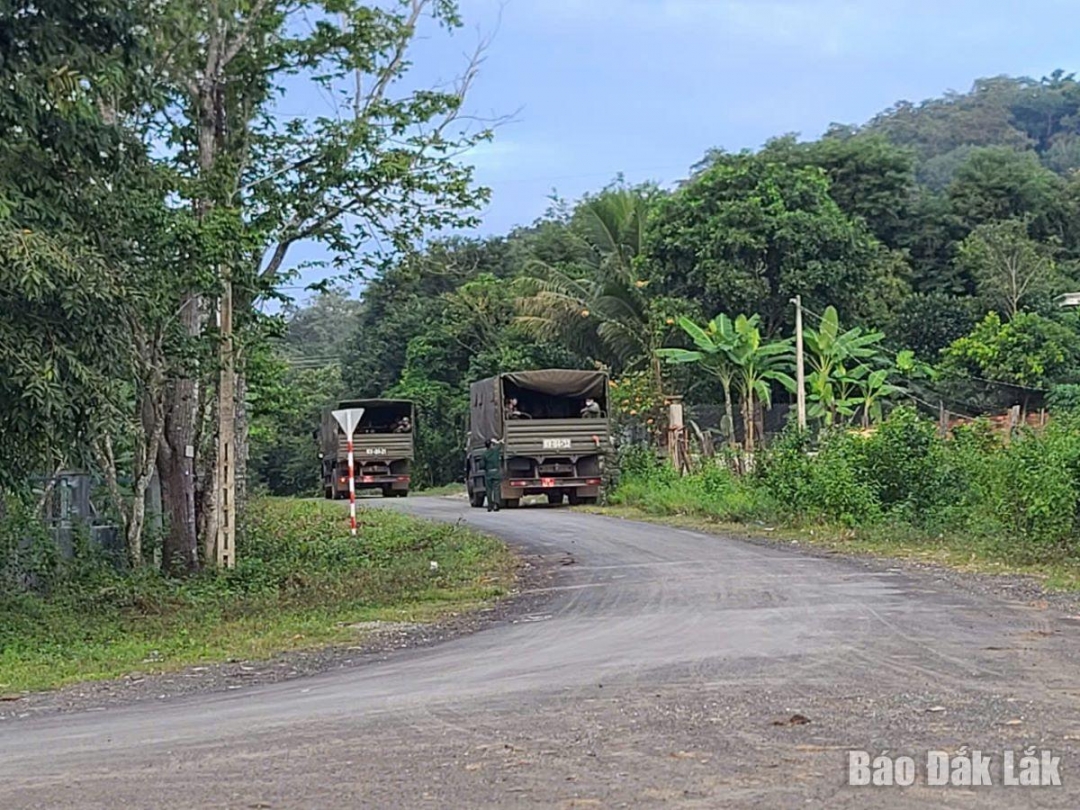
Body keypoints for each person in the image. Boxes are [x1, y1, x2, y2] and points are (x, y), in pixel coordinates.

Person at [482, 438, 503, 512]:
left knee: (489, 490)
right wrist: (496, 441)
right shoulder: (495, 451)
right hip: (496, 473)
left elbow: (482, 465)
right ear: (491, 445)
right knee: (496, 489)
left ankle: (490, 505)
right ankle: (497, 504)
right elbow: (501, 444)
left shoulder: (484, 454)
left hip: (488, 474)